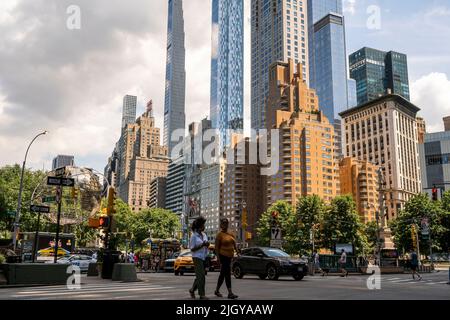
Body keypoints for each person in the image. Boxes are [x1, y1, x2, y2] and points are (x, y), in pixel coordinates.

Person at [214, 218, 239, 299]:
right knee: (227, 273)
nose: (225, 225)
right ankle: (230, 292)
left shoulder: (231, 233)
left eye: (226, 223)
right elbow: (216, 248)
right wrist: (218, 258)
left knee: (222, 274)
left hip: (229, 257)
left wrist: (237, 252)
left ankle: (217, 290)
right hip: (223, 256)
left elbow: (234, 243)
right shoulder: (219, 235)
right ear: (221, 225)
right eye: (223, 223)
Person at [189, 217, 210, 300]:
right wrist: (202, 245)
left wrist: (207, 244)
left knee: (200, 275)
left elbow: (206, 244)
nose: (204, 226)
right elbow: (192, 248)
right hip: (197, 257)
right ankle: (202, 295)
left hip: (204, 257)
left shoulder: (204, 234)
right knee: (201, 276)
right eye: (203, 225)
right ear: (200, 226)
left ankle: (192, 290)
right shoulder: (194, 236)